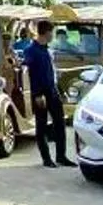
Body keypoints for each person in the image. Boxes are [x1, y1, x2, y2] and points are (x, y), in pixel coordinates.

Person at [22, 18, 67, 169]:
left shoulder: (47, 49)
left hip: (52, 90)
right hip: (40, 93)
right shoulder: (31, 50)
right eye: (51, 32)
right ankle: (46, 158)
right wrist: (36, 94)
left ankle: (61, 156)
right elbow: (29, 74)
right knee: (41, 126)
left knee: (60, 123)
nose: (52, 36)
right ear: (46, 33)